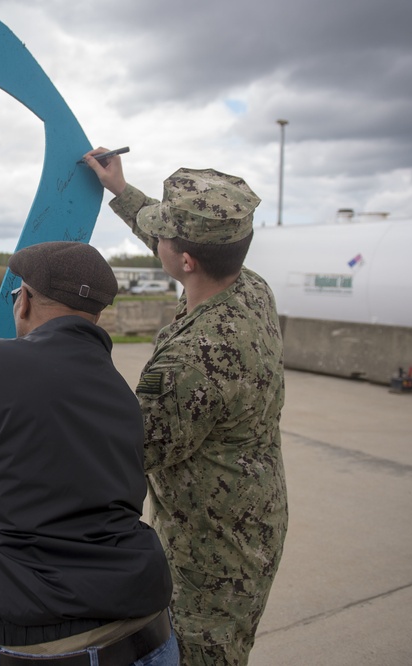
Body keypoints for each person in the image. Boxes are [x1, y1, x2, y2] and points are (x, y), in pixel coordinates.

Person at [0, 241, 179, 666]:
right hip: (151, 634)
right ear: (95, 315)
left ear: (23, 302)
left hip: (51, 649)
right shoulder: (119, 391)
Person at [83, 151, 289, 666]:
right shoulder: (249, 288)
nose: (157, 241)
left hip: (213, 549)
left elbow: (125, 453)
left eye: (164, 240)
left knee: (202, 655)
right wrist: (121, 190)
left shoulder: (193, 360)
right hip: (252, 509)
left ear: (185, 261)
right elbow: (172, 234)